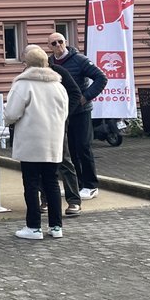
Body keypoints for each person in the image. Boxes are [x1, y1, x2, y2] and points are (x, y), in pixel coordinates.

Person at [4, 46, 69, 240]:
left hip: (31, 141)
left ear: (26, 63)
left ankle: (33, 227)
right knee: (52, 182)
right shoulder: (58, 85)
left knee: (31, 183)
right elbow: (64, 113)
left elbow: (12, 114)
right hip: (53, 141)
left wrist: (6, 115)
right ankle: (56, 226)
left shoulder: (23, 84)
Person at [25, 44, 83, 218]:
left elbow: (74, 93)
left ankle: (74, 200)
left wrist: (64, 115)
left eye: (27, 61)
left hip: (56, 124)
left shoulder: (58, 72)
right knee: (41, 162)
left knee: (64, 160)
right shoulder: (27, 78)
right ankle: (45, 199)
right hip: (36, 127)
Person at [48, 32, 108, 200]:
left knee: (84, 147)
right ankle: (78, 185)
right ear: (49, 46)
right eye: (54, 43)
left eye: (60, 41)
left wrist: (85, 97)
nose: (58, 45)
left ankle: (91, 185)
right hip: (63, 111)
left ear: (65, 42)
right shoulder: (50, 63)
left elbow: (101, 78)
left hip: (81, 111)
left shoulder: (79, 60)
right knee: (71, 149)